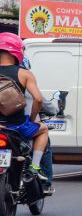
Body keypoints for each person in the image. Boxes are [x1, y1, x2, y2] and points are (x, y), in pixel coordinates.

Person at [0, 33, 49, 179]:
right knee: (44, 130)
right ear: (17, 51)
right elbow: (38, 99)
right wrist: (33, 119)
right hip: (18, 127)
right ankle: (34, 168)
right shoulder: (25, 74)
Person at [22, 56, 55, 195]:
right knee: (44, 135)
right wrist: (32, 118)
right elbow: (41, 100)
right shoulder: (27, 78)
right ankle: (44, 180)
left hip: (5, 127)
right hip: (23, 127)